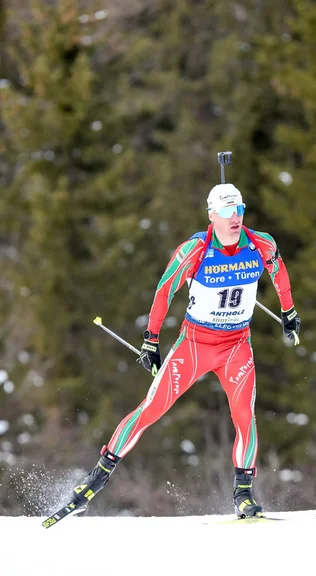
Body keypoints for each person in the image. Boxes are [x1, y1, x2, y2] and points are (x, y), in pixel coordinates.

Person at [67, 183, 301, 518]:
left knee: (244, 416)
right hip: (195, 345)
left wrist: (289, 312)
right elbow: (165, 290)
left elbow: (279, 274)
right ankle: (95, 479)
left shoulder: (261, 243)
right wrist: (151, 338)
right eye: (226, 211)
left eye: (239, 209)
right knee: (151, 408)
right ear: (212, 215)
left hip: (237, 345)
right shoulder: (196, 249)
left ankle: (244, 493)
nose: (234, 217)